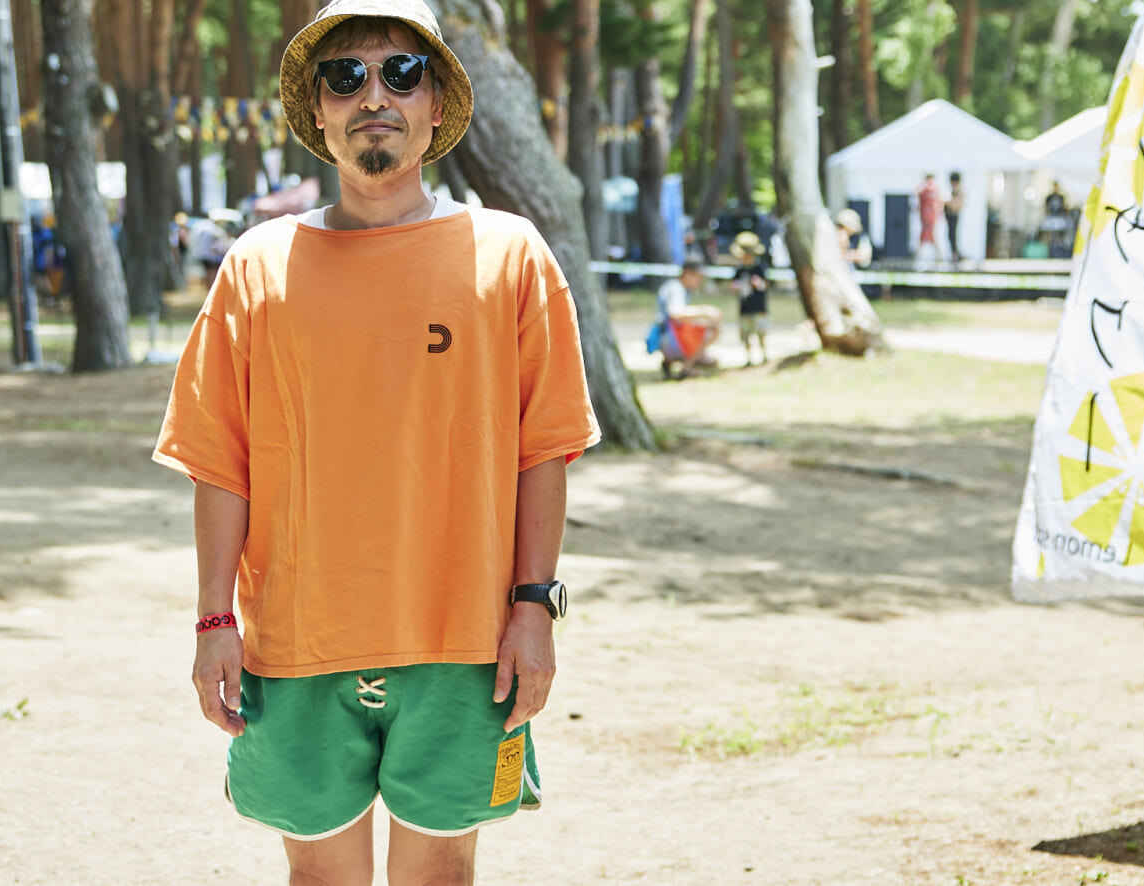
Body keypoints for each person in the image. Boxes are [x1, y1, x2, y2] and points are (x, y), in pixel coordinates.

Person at [152, 1, 601, 882]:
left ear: (436, 102)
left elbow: (543, 450)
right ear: (317, 110)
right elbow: (219, 462)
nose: (373, 96)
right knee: (320, 877)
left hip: (466, 643)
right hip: (297, 640)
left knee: (440, 874)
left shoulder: (509, 255)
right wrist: (213, 620)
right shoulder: (257, 266)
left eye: (401, 72)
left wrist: (534, 609)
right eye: (345, 76)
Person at [650, 253, 720, 379]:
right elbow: (676, 314)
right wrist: (705, 311)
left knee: (705, 328)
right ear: (687, 273)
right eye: (698, 277)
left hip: (669, 335)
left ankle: (676, 361)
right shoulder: (675, 288)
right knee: (713, 330)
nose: (699, 281)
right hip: (666, 337)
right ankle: (686, 367)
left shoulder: (681, 288)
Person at [730, 230, 770, 366]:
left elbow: (767, 285)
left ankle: (764, 355)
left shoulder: (760, 268)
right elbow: (733, 285)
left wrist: (758, 283)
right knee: (746, 334)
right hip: (745, 308)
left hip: (759, 307)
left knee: (761, 332)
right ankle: (748, 358)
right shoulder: (739, 270)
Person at [917, 172, 942, 262]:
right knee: (928, 235)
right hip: (930, 216)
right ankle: (939, 256)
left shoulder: (927, 189)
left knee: (928, 235)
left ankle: (939, 256)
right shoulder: (934, 189)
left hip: (928, 215)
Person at [944, 171, 964, 262]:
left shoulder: (959, 191)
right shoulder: (952, 191)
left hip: (954, 215)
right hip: (949, 215)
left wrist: (948, 202)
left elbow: (956, 205)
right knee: (950, 235)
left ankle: (955, 254)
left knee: (952, 235)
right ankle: (954, 253)